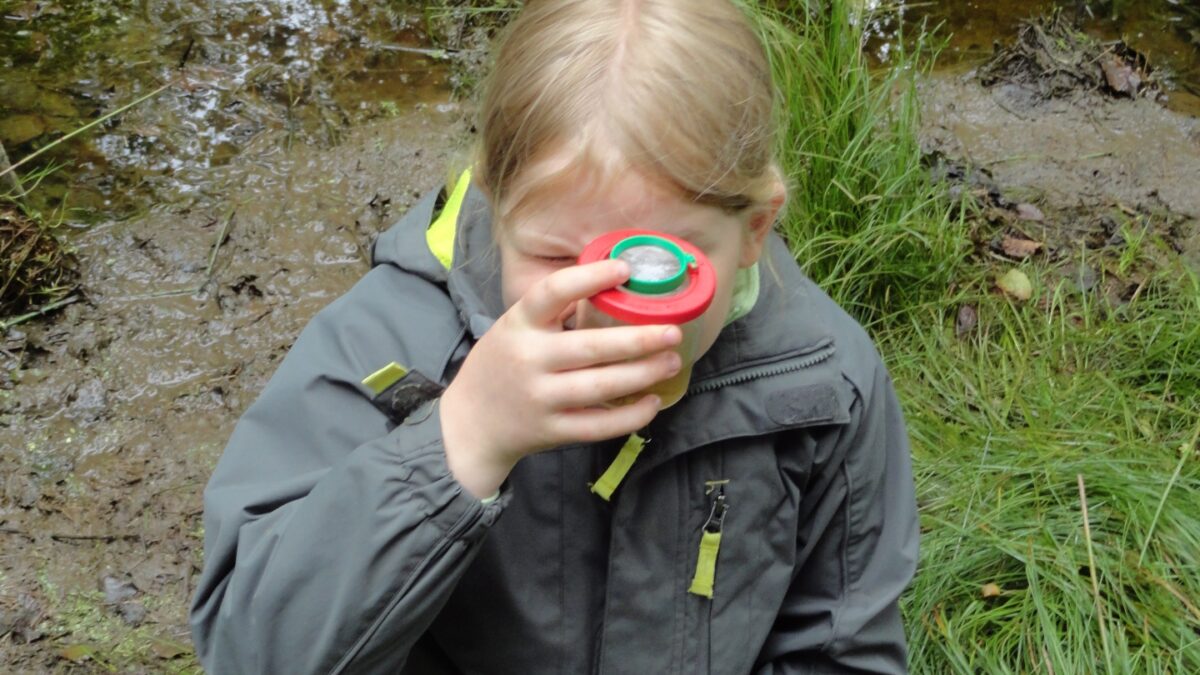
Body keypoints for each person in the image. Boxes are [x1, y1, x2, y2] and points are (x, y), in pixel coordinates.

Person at [189, 0, 919, 673]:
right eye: (554, 259)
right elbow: (250, 650)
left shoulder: (822, 383)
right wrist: (460, 440)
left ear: (754, 229)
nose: (606, 306)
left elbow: (839, 645)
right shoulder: (391, 352)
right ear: (496, 209)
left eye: (656, 265)